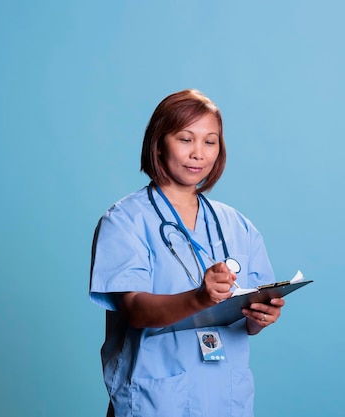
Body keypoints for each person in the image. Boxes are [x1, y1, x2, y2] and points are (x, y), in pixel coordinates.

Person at [89, 89, 285, 417]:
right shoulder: (125, 221)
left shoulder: (238, 225)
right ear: (158, 143)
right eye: (185, 139)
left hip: (227, 399)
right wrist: (199, 298)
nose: (199, 153)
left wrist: (262, 317)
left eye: (210, 141)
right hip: (157, 400)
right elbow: (135, 310)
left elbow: (250, 313)